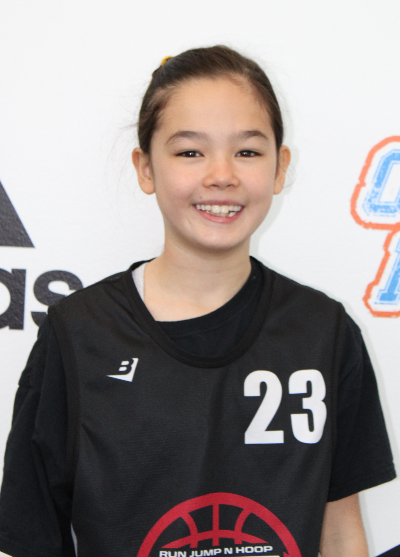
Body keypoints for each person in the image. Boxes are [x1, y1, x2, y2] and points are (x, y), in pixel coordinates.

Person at [0, 46, 396, 557]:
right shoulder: (77, 335)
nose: (221, 175)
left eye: (247, 152)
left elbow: (340, 533)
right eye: (190, 152)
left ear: (280, 167)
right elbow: (32, 541)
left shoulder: (325, 333)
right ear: (146, 167)